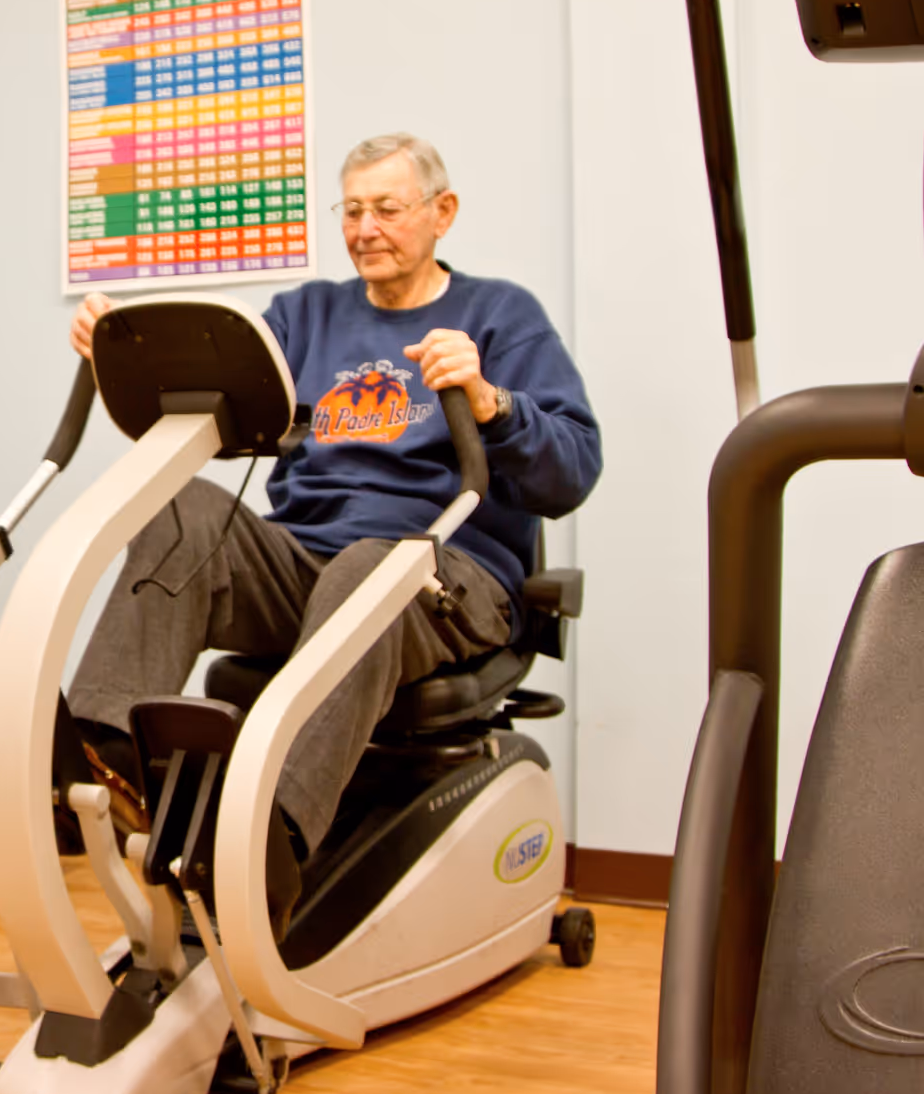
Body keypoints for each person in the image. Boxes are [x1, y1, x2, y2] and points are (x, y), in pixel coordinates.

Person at [66, 132, 601, 914]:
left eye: (386, 208)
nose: (364, 229)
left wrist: (493, 402)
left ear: (441, 212)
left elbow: (574, 468)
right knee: (183, 506)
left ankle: (268, 840)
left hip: (444, 575)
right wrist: (120, 355)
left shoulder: (500, 316)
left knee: (369, 568)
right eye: (351, 211)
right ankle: (103, 758)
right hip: (306, 567)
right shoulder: (305, 316)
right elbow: (205, 417)